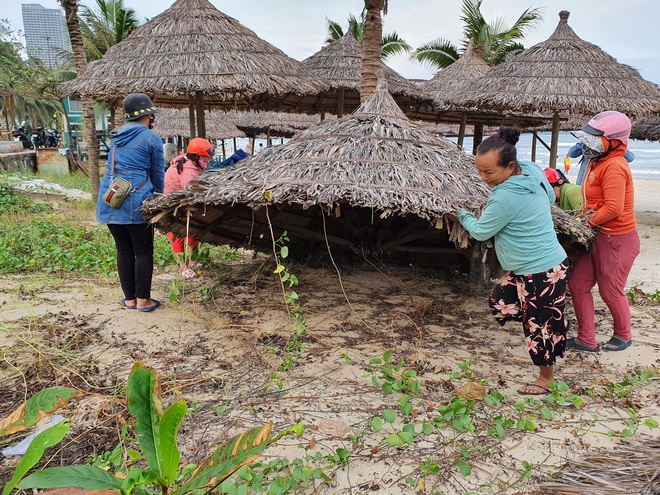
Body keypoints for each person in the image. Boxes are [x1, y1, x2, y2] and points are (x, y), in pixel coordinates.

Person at [454, 127, 569, 396]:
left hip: (540, 269)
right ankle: (552, 321)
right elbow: (551, 197)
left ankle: (546, 379)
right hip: (536, 266)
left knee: (537, 328)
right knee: (500, 303)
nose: (483, 178)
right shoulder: (531, 169)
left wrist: (461, 215)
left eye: (489, 173)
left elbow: (481, 231)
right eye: (479, 171)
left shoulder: (504, 197)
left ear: (510, 165)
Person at [566, 111, 640, 352]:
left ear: (614, 142)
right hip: (597, 235)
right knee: (577, 284)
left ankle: (623, 335)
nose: (589, 144)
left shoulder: (615, 165)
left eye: (595, 139)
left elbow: (614, 208)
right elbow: (595, 202)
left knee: (610, 291)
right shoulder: (597, 161)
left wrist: (585, 224)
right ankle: (586, 339)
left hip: (617, 238)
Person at [97, 93, 164, 312]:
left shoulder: (116, 137)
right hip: (137, 199)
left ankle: (130, 300)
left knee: (124, 250)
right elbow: (157, 173)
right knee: (143, 251)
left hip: (111, 198)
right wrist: (158, 197)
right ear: (148, 116)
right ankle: (144, 300)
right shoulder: (150, 138)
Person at [164, 137, 215, 278]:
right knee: (177, 234)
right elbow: (190, 192)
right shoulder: (188, 171)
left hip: (182, 202)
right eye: (206, 158)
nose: (208, 161)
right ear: (197, 156)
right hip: (173, 204)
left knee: (193, 229)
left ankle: (193, 261)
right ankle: (183, 266)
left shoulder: (188, 161)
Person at [565, 142, 635, 185]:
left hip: (601, 180)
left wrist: (614, 145)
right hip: (583, 180)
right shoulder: (587, 143)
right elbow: (571, 153)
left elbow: (630, 157)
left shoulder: (612, 144)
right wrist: (584, 143)